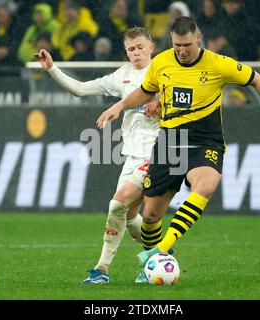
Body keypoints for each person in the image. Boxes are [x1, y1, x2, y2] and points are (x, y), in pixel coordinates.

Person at [96, 17, 260, 279]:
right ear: (171, 41)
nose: (182, 50)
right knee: (150, 216)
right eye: (178, 45)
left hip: (205, 141)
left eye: (187, 45)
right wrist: (118, 106)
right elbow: (146, 91)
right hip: (169, 143)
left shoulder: (218, 63)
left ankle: (159, 253)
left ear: (198, 39)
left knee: (205, 185)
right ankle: (151, 265)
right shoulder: (162, 62)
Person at [36, 27, 162, 284]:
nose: (136, 52)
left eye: (140, 47)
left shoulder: (164, 70)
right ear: (126, 52)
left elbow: (187, 101)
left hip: (158, 152)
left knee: (117, 203)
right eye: (130, 49)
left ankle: (101, 270)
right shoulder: (123, 76)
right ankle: (161, 253)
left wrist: (162, 103)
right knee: (127, 216)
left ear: (151, 47)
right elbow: (81, 90)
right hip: (132, 156)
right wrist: (52, 69)